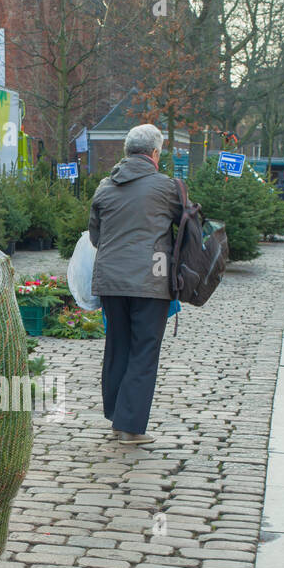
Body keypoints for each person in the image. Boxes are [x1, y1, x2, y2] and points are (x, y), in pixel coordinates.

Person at [88, 123, 183, 445]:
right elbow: (186, 230)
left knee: (117, 347)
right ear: (155, 153)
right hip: (150, 280)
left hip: (111, 280)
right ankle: (130, 427)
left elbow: (95, 236)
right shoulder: (167, 187)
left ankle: (117, 418)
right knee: (144, 350)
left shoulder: (104, 187)